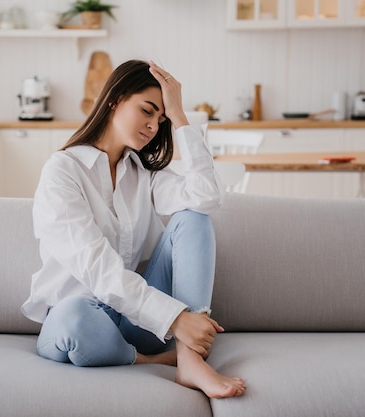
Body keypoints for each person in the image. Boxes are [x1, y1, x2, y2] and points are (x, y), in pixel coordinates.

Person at [21, 59, 246, 399]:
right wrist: (174, 319)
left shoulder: (144, 173)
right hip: (85, 321)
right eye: (147, 111)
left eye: (161, 118)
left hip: (136, 320)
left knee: (193, 217)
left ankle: (189, 360)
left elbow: (206, 198)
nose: (154, 126)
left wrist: (181, 117)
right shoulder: (62, 171)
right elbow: (97, 268)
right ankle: (147, 360)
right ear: (115, 98)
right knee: (73, 319)